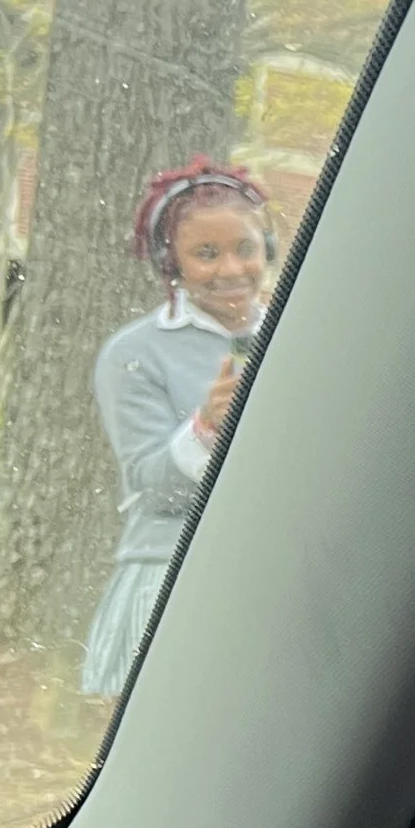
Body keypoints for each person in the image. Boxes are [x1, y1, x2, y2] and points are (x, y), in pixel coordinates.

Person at [83, 158, 273, 696]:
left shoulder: (303, 332)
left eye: (245, 248)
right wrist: (206, 427)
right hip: (175, 572)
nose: (231, 268)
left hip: (278, 572)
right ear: (172, 263)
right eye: (206, 254)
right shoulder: (134, 354)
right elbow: (152, 486)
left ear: (270, 250)